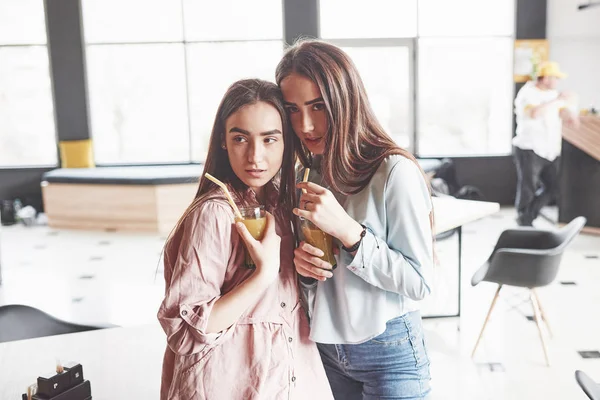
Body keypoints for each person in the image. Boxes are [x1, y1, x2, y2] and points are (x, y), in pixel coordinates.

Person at [276, 40, 434, 400]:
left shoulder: (394, 172)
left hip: (390, 353)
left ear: (345, 100)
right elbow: (321, 280)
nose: (306, 124)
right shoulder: (308, 172)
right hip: (329, 351)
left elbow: (420, 282)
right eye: (293, 110)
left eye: (318, 106)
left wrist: (350, 233)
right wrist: (304, 270)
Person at [157, 79, 333, 400]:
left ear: (286, 142)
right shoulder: (215, 214)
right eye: (241, 138)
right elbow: (184, 332)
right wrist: (262, 276)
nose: (255, 156)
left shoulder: (284, 206)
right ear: (224, 142)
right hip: (225, 385)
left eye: (270, 139)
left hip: (286, 380)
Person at [513, 61, 580, 226]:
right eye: (555, 78)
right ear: (545, 78)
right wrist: (557, 100)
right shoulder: (527, 93)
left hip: (550, 150)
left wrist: (571, 110)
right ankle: (524, 220)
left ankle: (528, 215)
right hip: (529, 149)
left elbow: (563, 114)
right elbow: (534, 113)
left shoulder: (552, 94)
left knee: (554, 188)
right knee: (528, 187)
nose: (557, 82)